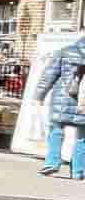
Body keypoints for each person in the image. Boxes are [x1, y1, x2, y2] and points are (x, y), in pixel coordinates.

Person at [33, 29, 85, 179]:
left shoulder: (65, 51)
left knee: (56, 131)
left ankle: (52, 163)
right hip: (84, 101)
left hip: (63, 98)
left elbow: (49, 75)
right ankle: (78, 171)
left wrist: (39, 96)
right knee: (83, 137)